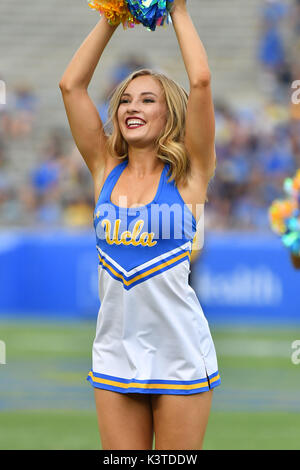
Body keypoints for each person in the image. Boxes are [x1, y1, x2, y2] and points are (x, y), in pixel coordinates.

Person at [59, 0, 220, 450]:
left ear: (170, 113)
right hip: (114, 351)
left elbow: (202, 82)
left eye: (148, 100)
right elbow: (71, 86)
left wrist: (179, 10)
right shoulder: (103, 169)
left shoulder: (191, 176)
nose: (132, 106)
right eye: (126, 99)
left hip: (179, 355)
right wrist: (112, 14)